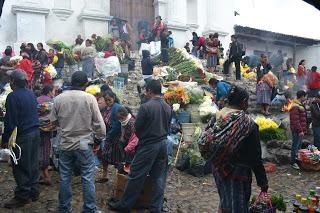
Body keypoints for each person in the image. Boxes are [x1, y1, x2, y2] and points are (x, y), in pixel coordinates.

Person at [109, 79, 172, 212]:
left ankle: (125, 205)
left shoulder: (146, 107)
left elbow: (137, 129)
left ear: (149, 90)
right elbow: (168, 127)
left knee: (136, 176)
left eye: (146, 90)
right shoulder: (167, 106)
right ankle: (156, 208)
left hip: (149, 145)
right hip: (163, 144)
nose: (145, 93)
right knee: (159, 178)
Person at [202, 86, 268, 212]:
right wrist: (262, 181)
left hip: (218, 169)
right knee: (238, 206)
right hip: (237, 173)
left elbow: (207, 137)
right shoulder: (247, 123)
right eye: (247, 102)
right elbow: (255, 155)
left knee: (225, 200)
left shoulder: (218, 115)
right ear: (243, 102)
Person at [49, 71, 106, 212]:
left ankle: (64, 208)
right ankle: (89, 209)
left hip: (65, 143)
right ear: (86, 83)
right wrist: (98, 139)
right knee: (87, 177)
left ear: (71, 82)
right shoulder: (90, 98)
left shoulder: (59, 98)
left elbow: (53, 121)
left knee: (65, 177)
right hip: (84, 143)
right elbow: (99, 124)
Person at [1, 69, 40, 208]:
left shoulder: (12, 96)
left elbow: (10, 121)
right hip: (35, 133)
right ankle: (34, 192)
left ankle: (23, 196)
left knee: (21, 166)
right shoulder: (30, 93)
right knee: (33, 163)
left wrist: (5, 140)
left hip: (23, 136)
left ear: (13, 82)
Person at [96, 90, 122, 183]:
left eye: (109, 100)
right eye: (106, 100)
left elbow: (117, 126)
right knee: (104, 155)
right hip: (107, 136)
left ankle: (120, 178)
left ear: (113, 98)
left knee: (118, 158)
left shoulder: (117, 108)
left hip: (115, 137)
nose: (107, 102)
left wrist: (107, 136)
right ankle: (105, 174)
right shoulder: (106, 108)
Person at [37, 84, 55, 185]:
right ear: (49, 92)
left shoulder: (37, 99)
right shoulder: (52, 101)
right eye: (53, 91)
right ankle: (46, 175)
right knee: (46, 149)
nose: (54, 93)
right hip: (48, 130)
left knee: (38, 149)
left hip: (37, 128)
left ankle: (42, 173)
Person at [290, 90, 307, 170]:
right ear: (302, 96)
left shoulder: (300, 105)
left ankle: (298, 161)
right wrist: (300, 130)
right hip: (297, 131)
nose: (305, 98)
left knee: (299, 147)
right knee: (295, 146)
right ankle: (293, 162)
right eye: (305, 96)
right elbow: (295, 120)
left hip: (300, 130)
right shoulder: (295, 106)